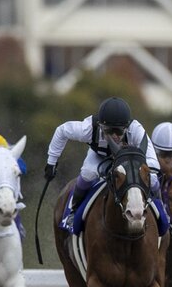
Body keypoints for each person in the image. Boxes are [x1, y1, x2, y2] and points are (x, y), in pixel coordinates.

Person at [44, 96, 161, 230]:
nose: (114, 136)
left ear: (127, 127)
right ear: (100, 126)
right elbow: (62, 131)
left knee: (153, 179)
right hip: (99, 156)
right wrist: (51, 162)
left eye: (119, 131)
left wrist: (150, 173)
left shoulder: (136, 130)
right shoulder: (88, 128)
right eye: (109, 131)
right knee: (87, 174)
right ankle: (73, 211)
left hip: (128, 161)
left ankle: (162, 211)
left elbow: (152, 160)